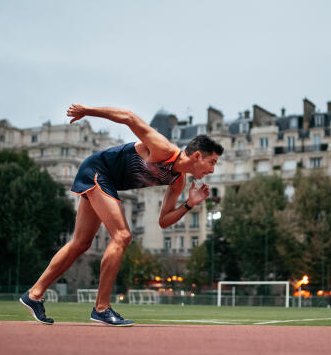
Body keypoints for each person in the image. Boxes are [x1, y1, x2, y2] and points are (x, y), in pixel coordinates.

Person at [20, 104, 223, 326]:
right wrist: (87, 111)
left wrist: (189, 204)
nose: (212, 169)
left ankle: (34, 294)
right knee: (123, 236)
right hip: (97, 171)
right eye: (212, 162)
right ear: (196, 156)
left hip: (106, 182)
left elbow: (163, 222)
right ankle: (101, 308)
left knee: (80, 243)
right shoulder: (164, 149)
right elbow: (129, 117)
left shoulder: (177, 181)